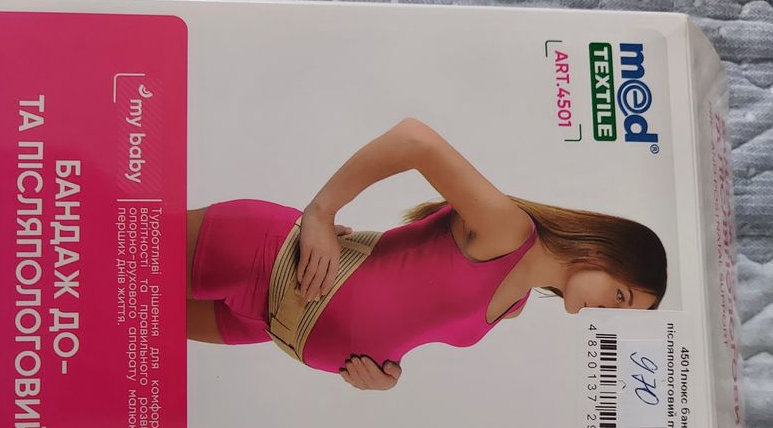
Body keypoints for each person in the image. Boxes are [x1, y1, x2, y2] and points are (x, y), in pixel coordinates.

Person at [187, 118, 667, 390]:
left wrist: (385, 376)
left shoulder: (514, 306)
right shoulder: (508, 231)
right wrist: (321, 212)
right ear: (604, 252)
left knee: (137, 333)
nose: (608, 313)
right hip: (261, 258)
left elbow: (406, 311)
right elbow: (414, 140)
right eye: (620, 296)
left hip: (270, 324)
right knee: (132, 259)